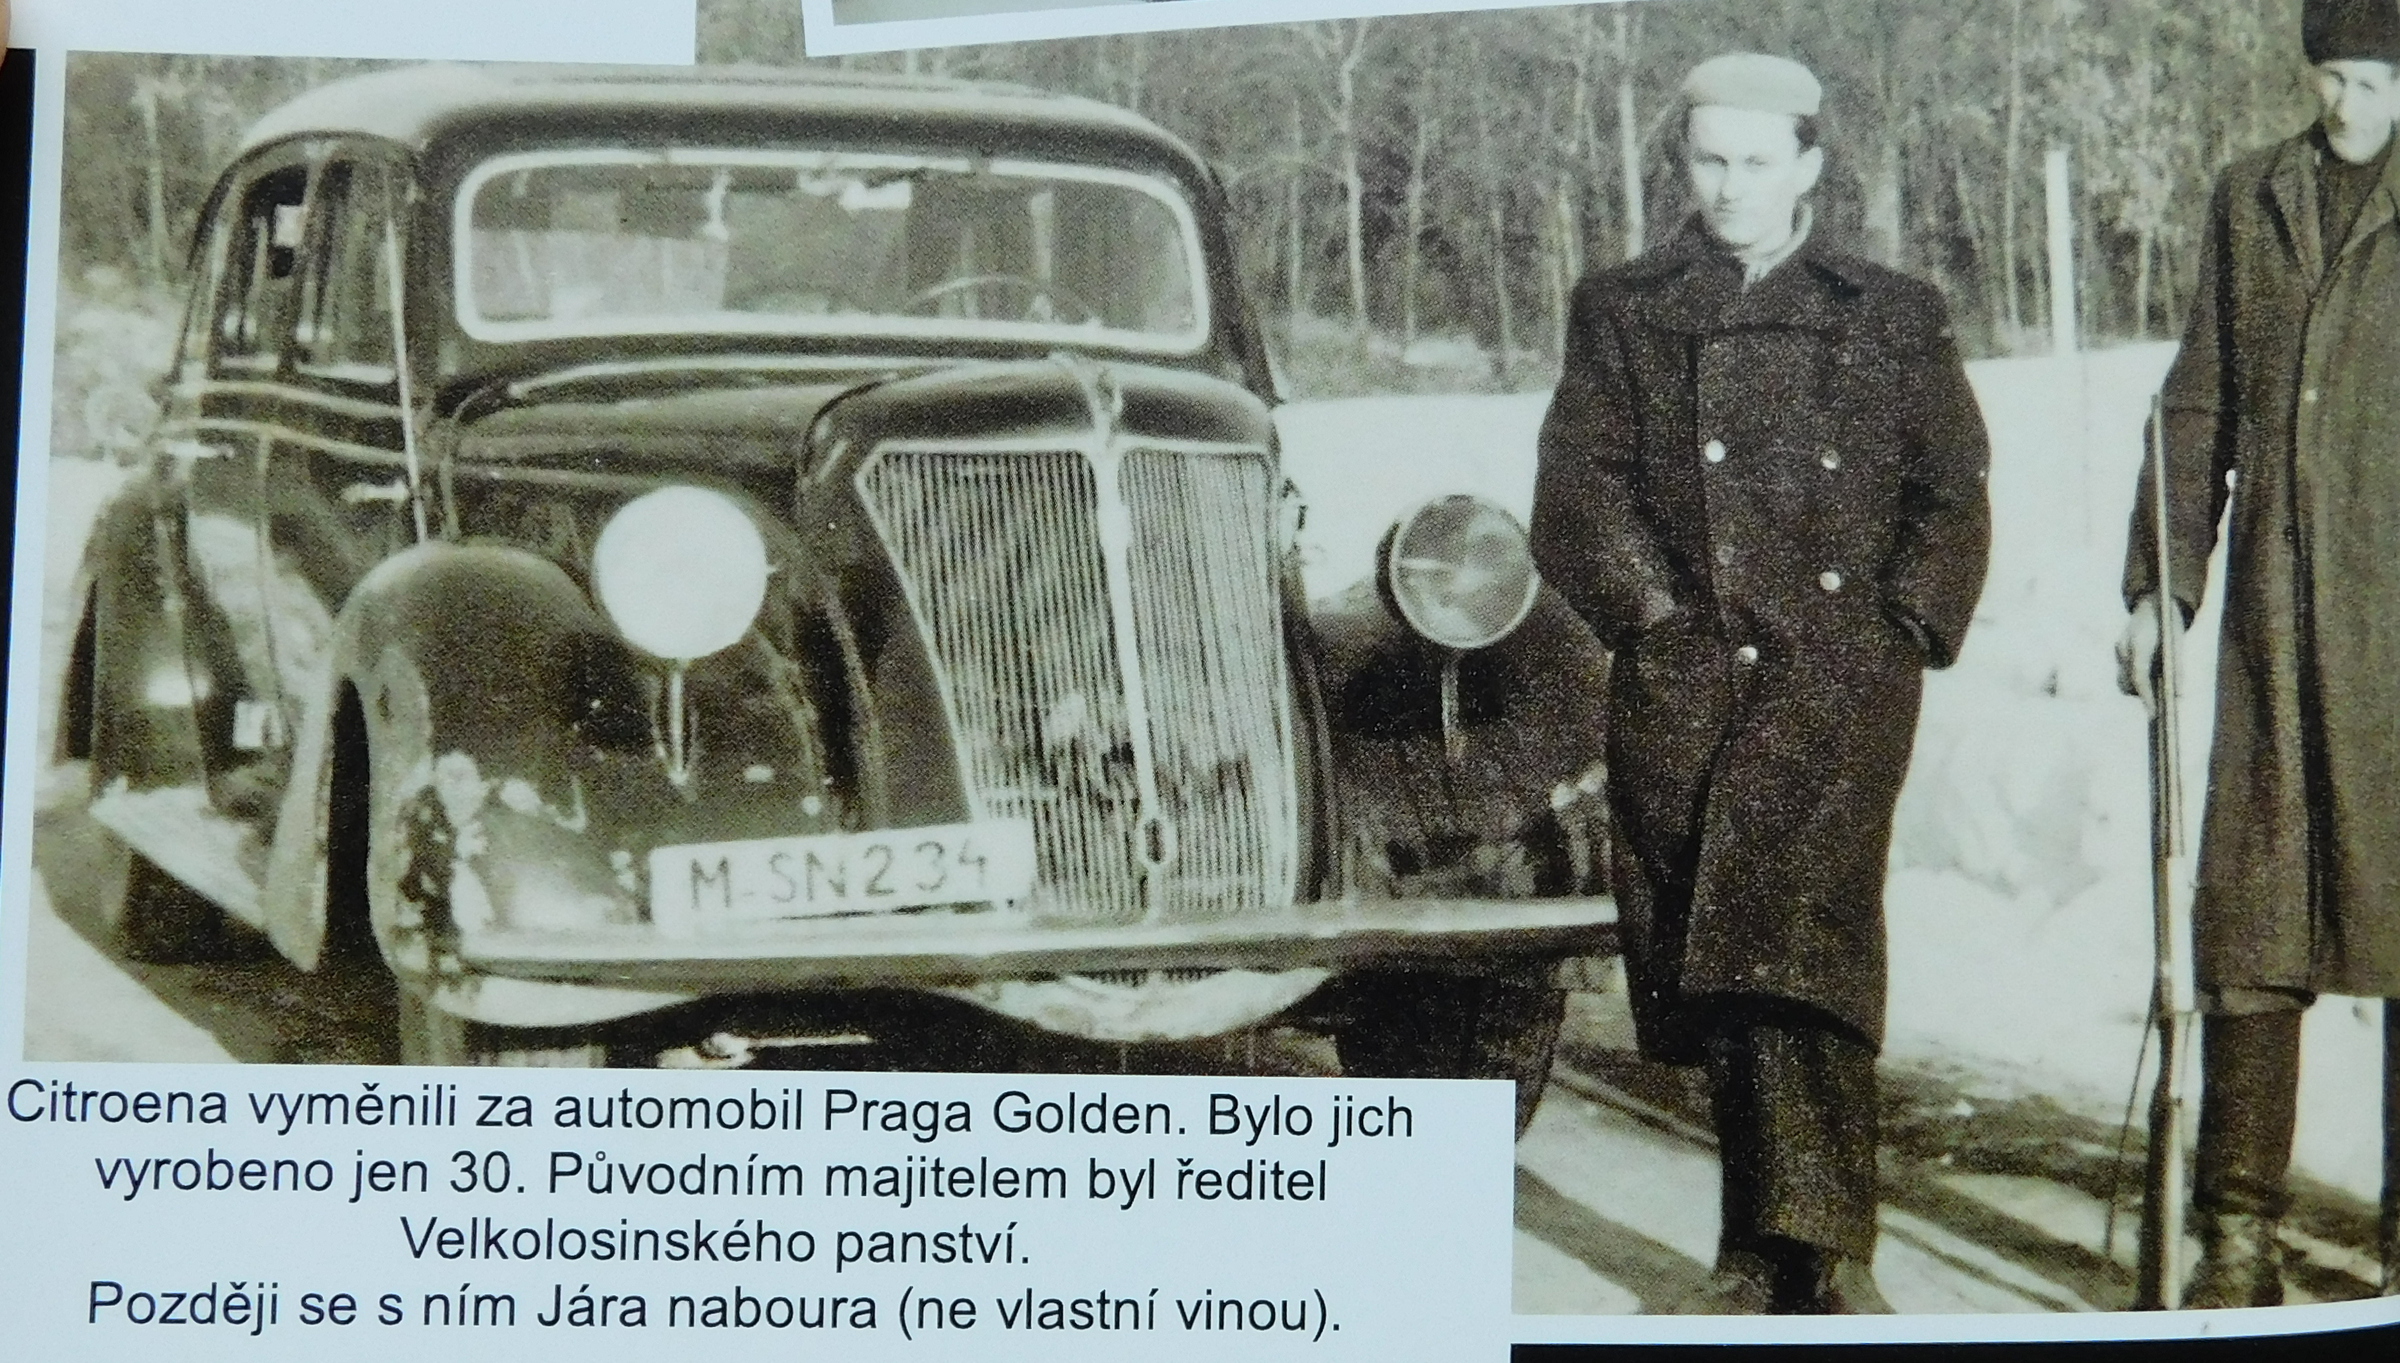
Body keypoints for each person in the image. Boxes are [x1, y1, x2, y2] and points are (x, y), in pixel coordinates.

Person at [1529, 52, 1990, 1314]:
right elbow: (1576, 490)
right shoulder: (1623, 307)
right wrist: (1654, 618)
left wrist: (1903, 631)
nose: (1728, 187)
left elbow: (1950, 495)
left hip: (1838, 680)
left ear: (1807, 168)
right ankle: (1764, 1246)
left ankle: (1823, 1251)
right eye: (1707, 160)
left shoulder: (1892, 311)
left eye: (1754, 161)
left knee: (1810, 946)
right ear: (1681, 163)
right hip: (1691, 675)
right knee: (1726, 956)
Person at [2117, 0, 2400, 1308]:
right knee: (2250, 927)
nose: (2352, 104)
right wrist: (2158, 586)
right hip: (2275, 634)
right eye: (2335, 75)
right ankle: (2238, 1229)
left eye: (2381, 78)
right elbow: (2199, 402)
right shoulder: (2254, 198)